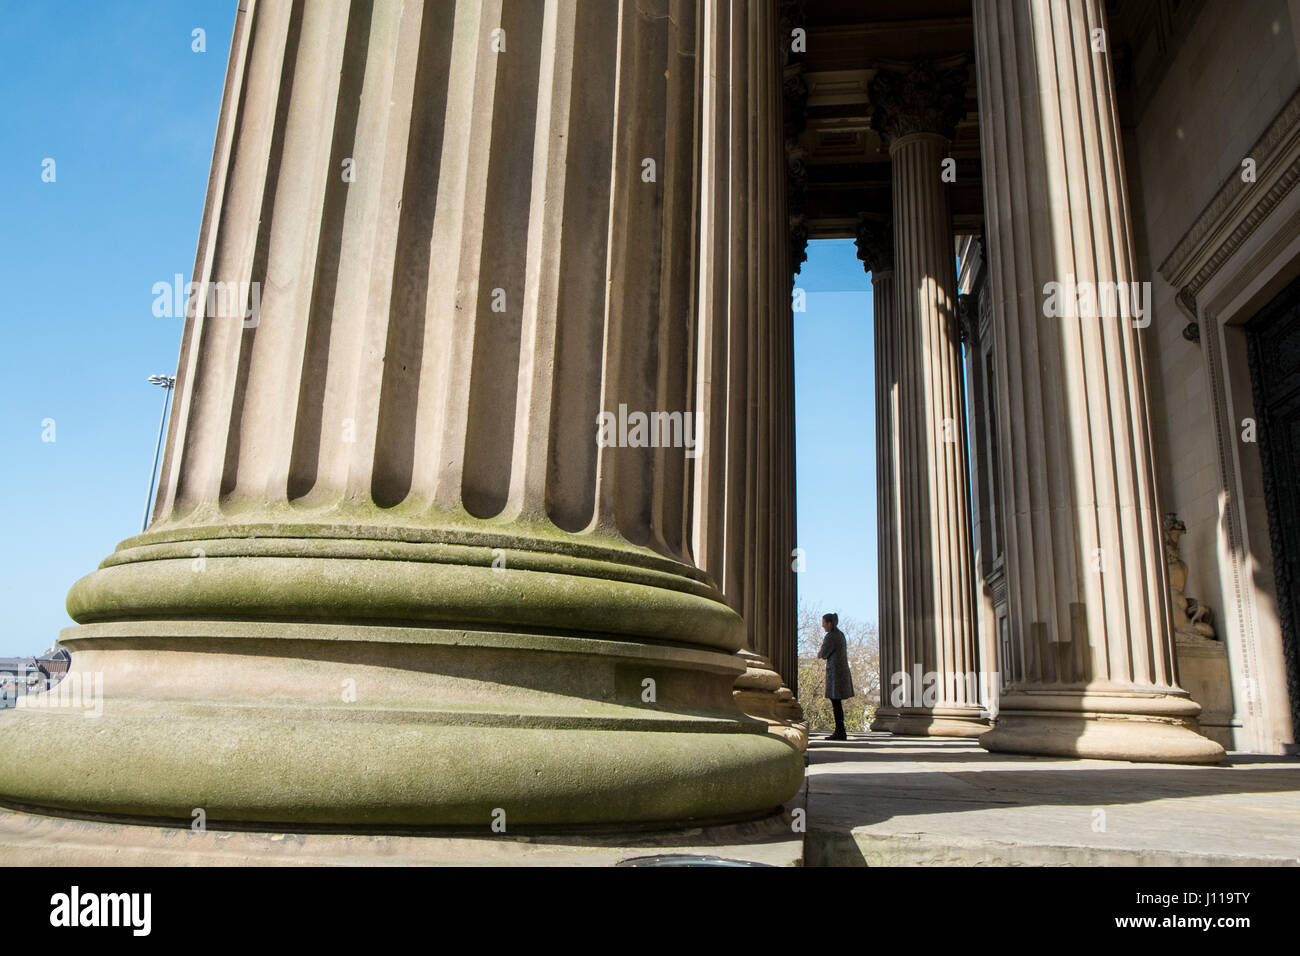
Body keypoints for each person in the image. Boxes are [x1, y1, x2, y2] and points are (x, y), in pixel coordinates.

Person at [817, 612, 854, 741]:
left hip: (835, 674)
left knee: (836, 703)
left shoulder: (831, 637)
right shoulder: (841, 635)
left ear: (829, 623)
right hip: (841, 672)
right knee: (837, 703)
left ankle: (840, 731)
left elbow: (823, 654)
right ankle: (840, 730)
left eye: (824, 625)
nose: (823, 627)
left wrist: (820, 653)